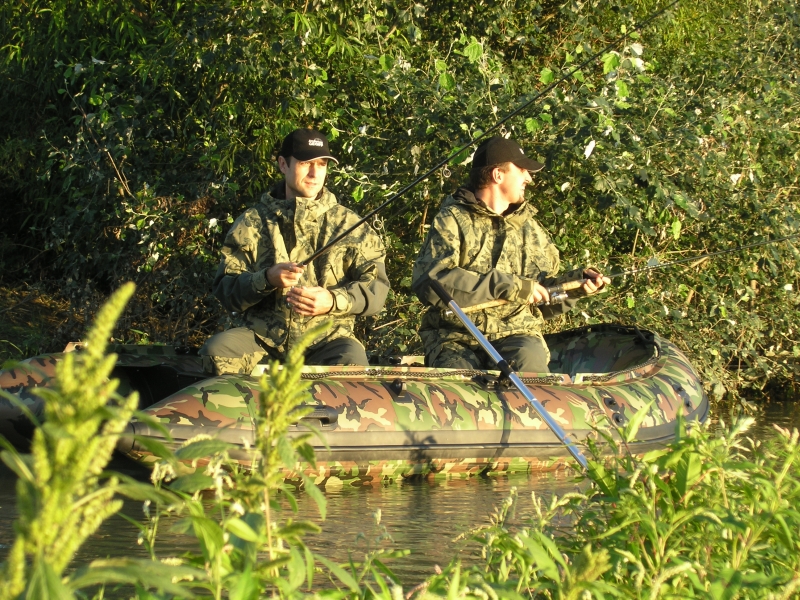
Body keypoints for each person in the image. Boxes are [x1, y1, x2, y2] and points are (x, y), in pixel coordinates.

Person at [411, 136, 610, 372]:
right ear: (498, 175)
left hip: (518, 334)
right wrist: (509, 286)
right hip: (454, 337)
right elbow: (432, 284)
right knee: (459, 382)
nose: (529, 178)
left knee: (530, 361)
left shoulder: (532, 230)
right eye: (522, 170)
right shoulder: (452, 220)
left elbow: (542, 297)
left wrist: (576, 287)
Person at [200, 128, 389, 375]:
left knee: (351, 366)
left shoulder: (350, 224)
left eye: (321, 165)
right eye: (305, 163)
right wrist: (265, 279)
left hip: (329, 340)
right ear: (283, 164)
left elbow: (377, 288)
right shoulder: (252, 222)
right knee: (217, 352)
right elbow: (226, 290)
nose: (314, 173)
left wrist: (333, 300)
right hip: (262, 339)